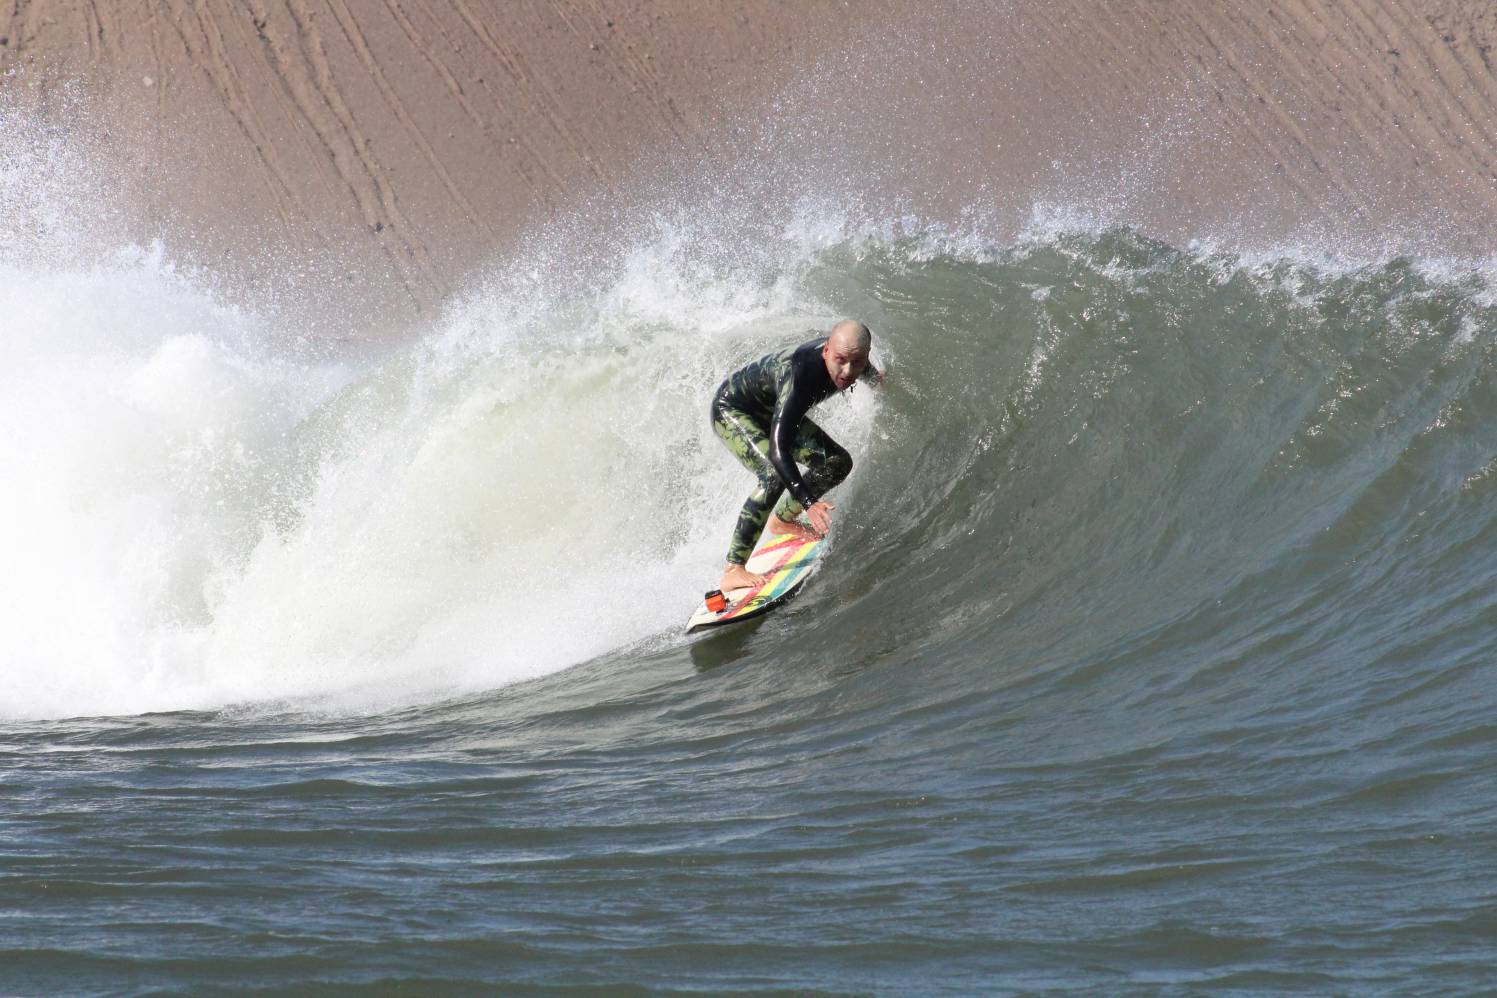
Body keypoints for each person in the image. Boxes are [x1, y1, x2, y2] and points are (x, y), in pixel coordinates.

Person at [710, 319, 883, 591]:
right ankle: (733, 569)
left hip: (774, 408)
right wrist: (808, 502)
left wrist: (877, 381)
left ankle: (782, 521)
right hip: (734, 410)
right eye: (840, 361)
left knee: (837, 463)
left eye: (857, 363)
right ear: (826, 351)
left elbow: (859, 364)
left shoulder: (850, 357)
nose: (848, 371)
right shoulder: (801, 380)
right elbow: (779, 450)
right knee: (772, 475)